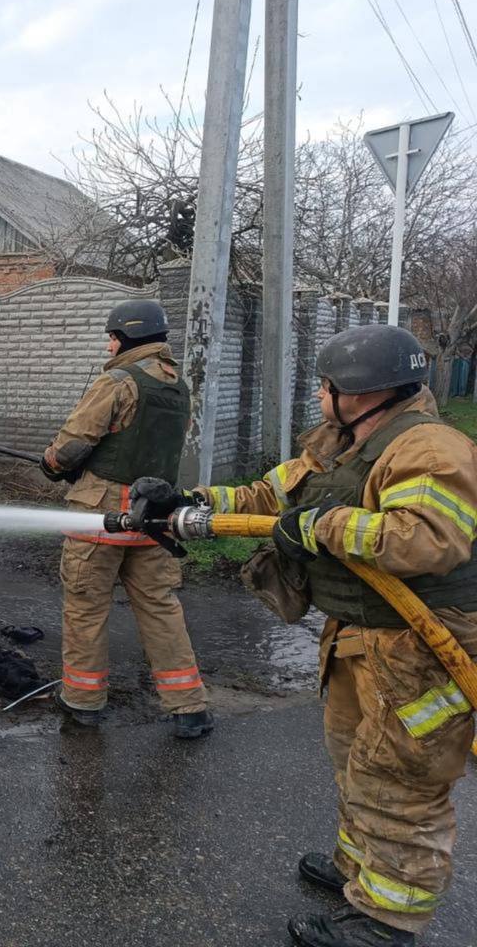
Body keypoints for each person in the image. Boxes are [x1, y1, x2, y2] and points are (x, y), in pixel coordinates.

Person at [137, 324, 477, 947]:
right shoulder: (344, 442)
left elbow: (428, 538)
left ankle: (387, 918)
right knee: (356, 763)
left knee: (401, 782)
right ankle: (362, 872)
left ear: (361, 392)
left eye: (327, 386)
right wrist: (188, 503)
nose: (319, 396)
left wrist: (324, 526)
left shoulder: (429, 448)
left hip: (420, 650)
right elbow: (271, 495)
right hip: (361, 639)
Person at [40, 299, 213, 739]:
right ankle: (188, 707)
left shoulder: (117, 380)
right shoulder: (178, 386)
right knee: (160, 608)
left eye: (111, 336)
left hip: (102, 517)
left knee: (86, 607)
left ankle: (82, 701)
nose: (108, 343)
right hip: (156, 518)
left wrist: (53, 463)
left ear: (125, 338)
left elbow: (74, 444)